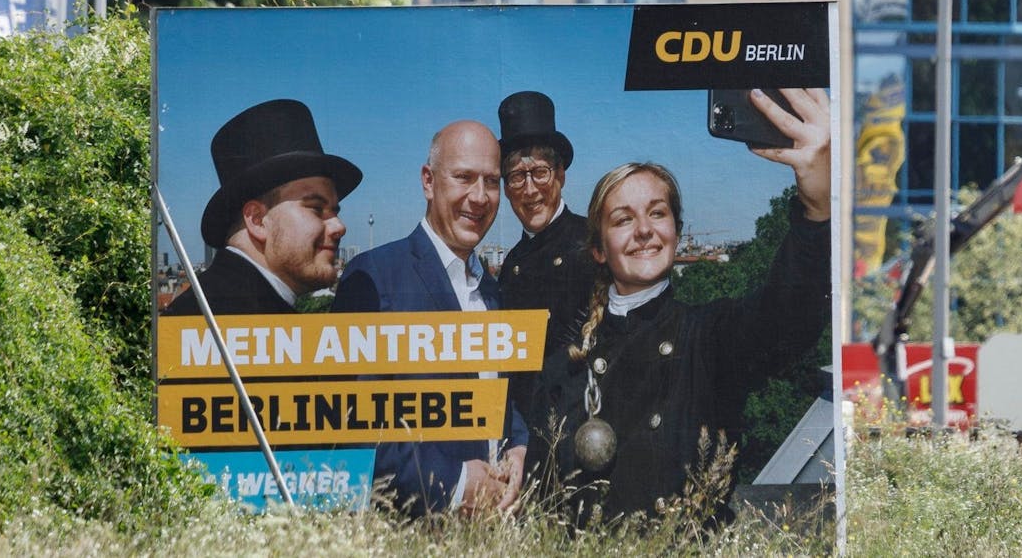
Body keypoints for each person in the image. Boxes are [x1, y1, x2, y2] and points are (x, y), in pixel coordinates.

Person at [519, 88, 831, 522]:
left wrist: (817, 210)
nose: (644, 229)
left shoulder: (710, 339)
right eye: (623, 219)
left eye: (657, 213)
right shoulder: (563, 368)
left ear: (677, 232)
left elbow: (789, 315)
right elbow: (538, 510)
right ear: (598, 249)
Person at [333, 120, 528, 518]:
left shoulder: (492, 290)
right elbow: (349, 424)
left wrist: (519, 445)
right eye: (463, 178)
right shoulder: (373, 277)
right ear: (428, 181)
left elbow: (500, 395)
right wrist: (454, 483)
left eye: (491, 182)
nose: (480, 197)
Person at [164, 99, 361, 317]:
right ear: (257, 220)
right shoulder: (241, 321)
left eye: (335, 211)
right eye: (316, 208)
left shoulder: (210, 307)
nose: (339, 226)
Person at [495, 91, 594, 323]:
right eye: (517, 176)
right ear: (507, 189)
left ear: (560, 175)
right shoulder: (511, 264)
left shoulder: (594, 243)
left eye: (540, 173)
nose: (530, 190)